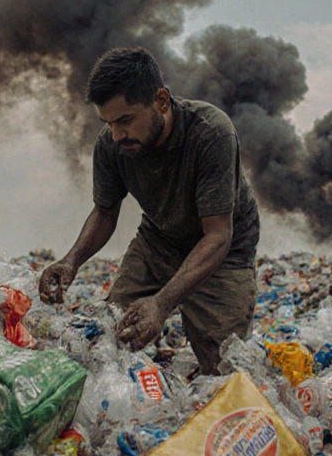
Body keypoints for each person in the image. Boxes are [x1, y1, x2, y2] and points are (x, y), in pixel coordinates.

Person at [38, 47, 260, 374]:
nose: (117, 135)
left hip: (222, 255)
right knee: (109, 338)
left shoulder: (211, 133)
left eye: (125, 120)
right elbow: (105, 212)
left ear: (161, 101)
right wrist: (71, 261)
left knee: (224, 368)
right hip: (157, 242)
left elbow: (218, 237)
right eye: (109, 123)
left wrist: (162, 303)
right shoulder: (111, 144)